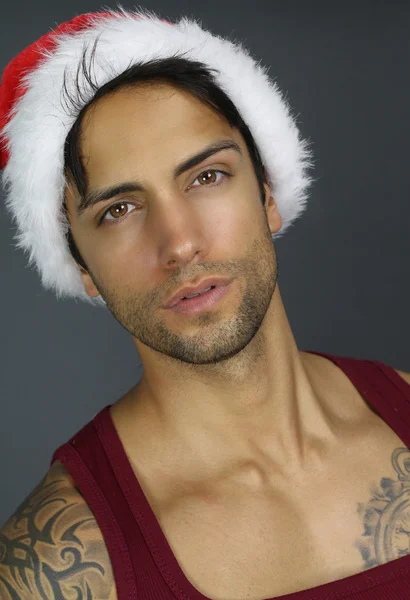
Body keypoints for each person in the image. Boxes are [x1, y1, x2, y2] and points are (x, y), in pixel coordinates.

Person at [1, 7, 410, 600]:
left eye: (207, 177)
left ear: (267, 195)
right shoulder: (53, 569)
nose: (180, 243)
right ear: (82, 268)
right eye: (119, 210)